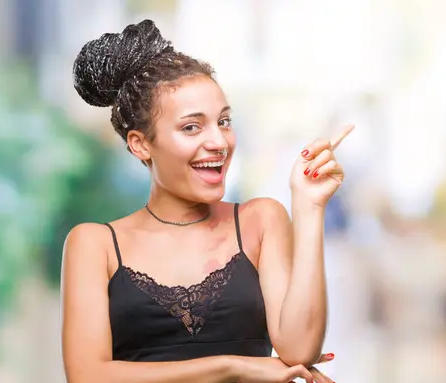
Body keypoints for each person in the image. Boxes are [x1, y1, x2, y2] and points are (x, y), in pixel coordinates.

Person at [61, 19, 353, 383]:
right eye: (191, 127)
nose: (219, 142)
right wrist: (230, 366)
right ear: (141, 144)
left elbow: (298, 350)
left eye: (224, 121)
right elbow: (87, 376)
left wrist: (309, 207)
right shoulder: (93, 244)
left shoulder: (261, 220)